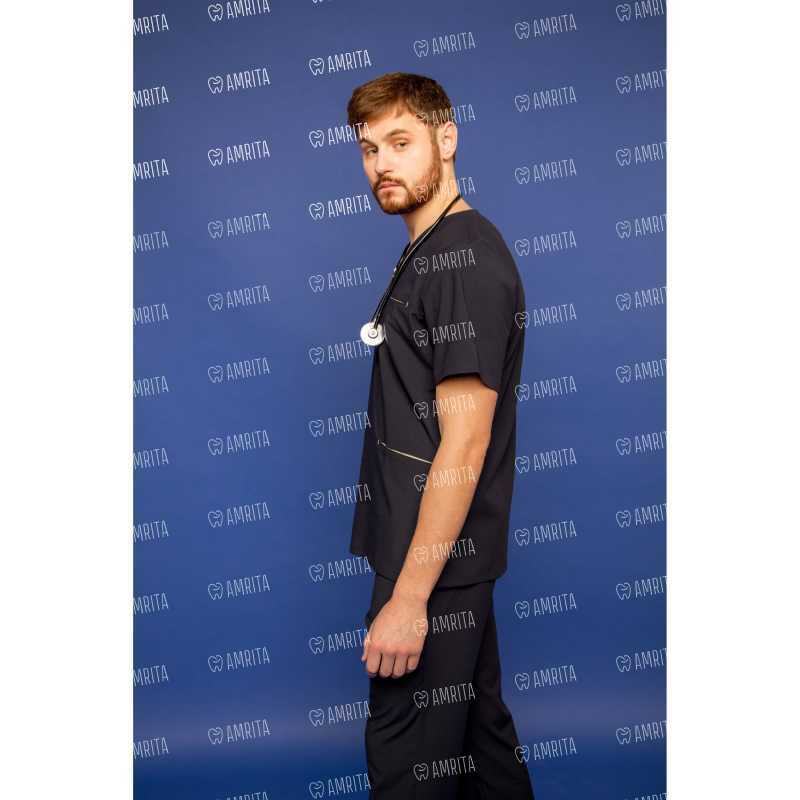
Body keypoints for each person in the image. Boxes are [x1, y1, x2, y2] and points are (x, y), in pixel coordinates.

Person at [347, 72, 535, 800]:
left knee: (409, 765)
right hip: (442, 560)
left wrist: (409, 599)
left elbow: (464, 445)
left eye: (401, 142)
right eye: (369, 149)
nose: (381, 164)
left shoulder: (465, 262)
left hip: (432, 570)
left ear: (447, 139)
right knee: (481, 752)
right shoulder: (431, 252)